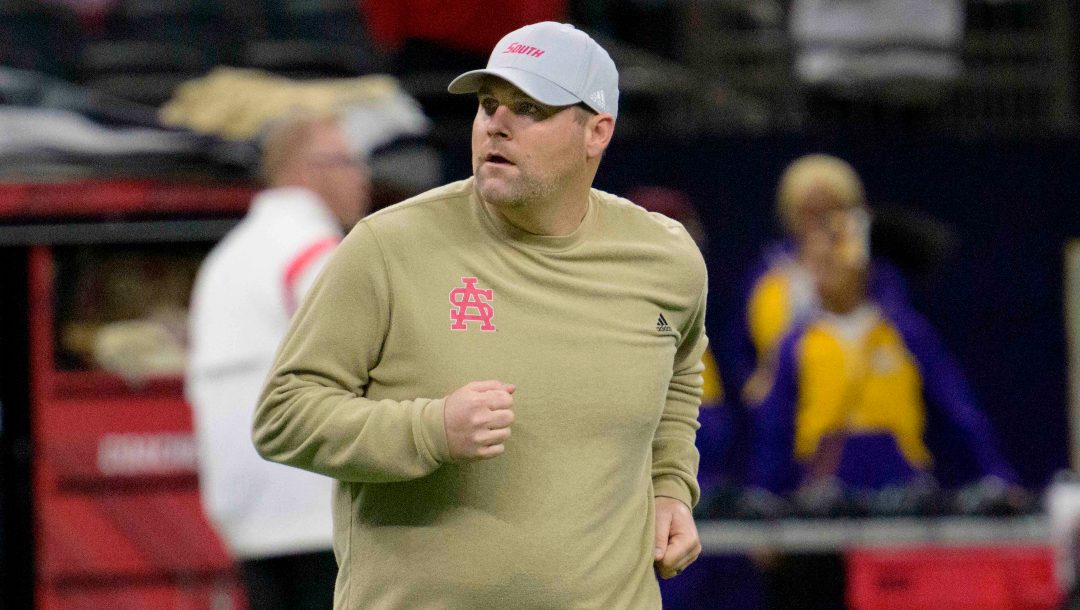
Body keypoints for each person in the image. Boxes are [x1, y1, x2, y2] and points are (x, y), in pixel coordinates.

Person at [252, 21, 709, 608]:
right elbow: (283, 415)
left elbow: (678, 376)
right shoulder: (387, 247)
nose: (497, 122)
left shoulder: (665, 260)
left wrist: (670, 488)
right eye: (489, 104)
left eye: (529, 109)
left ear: (597, 131)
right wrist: (431, 429)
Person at [186, 113, 371, 610]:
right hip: (315, 505)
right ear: (309, 170)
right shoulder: (313, 250)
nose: (363, 176)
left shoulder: (227, 256)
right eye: (349, 161)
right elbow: (367, 353)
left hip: (244, 512)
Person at [727, 154, 907, 408]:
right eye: (810, 212)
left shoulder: (874, 272)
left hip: (858, 401)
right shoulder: (765, 273)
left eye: (830, 211)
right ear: (790, 212)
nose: (819, 223)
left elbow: (900, 333)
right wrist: (750, 384)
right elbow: (739, 346)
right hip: (781, 405)